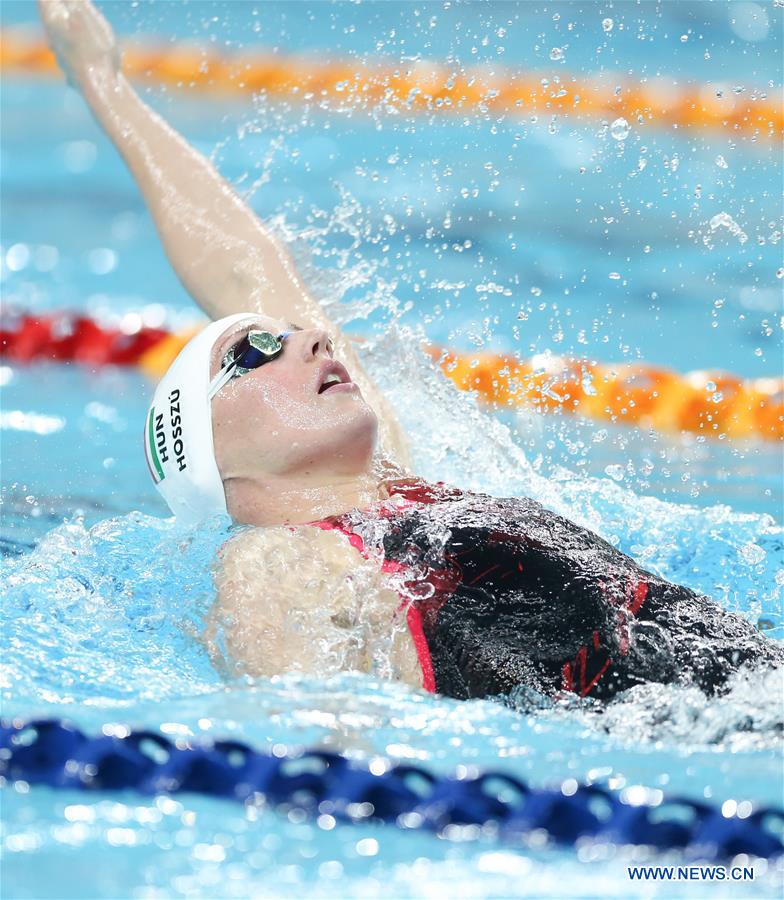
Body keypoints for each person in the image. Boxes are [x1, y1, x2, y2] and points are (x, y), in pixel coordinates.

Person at [39, 0, 783, 702]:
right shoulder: (277, 564)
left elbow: (246, 268)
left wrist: (107, 87)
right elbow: (318, 748)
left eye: (289, 331)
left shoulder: (396, 490)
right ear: (210, 456)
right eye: (254, 352)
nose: (307, 336)